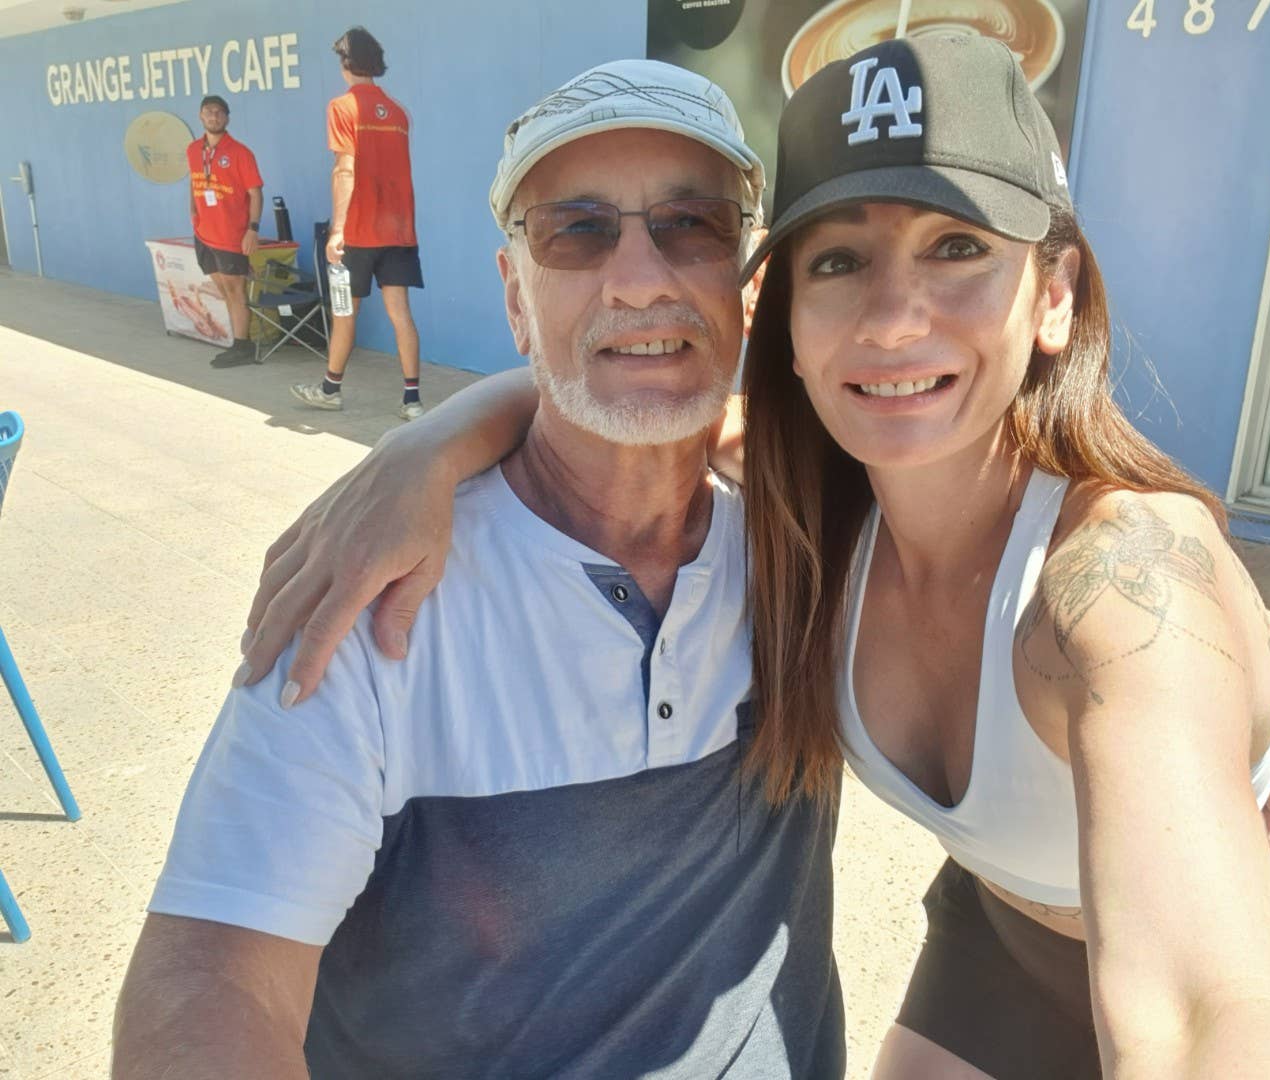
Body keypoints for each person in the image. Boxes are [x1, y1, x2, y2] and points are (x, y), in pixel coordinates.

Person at [230, 43, 1270, 1080]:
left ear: (1055, 294)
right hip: (998, 934)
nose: (891, 320)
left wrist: (1210, 624)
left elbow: (1208, 1007)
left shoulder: (1128, 575)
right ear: (780, 314)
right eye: (840, 262)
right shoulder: (810, 503)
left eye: (959, 248)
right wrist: (422, 449)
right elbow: (618, 376)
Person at [113, 60, 845, 1079]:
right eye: (577, 231)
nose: (640, 277)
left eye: (692, 224)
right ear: (514, 296)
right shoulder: (382, 584)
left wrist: (436, 436)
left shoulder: (814, 542)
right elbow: (215, 970)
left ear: (746, 282)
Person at [291, 27, 426, 421]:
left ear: (346, 63)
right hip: (399, 231)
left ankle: (330, 390)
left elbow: (346, 168)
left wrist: (337, 230)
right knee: (401, 312)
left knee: (344, 312)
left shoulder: (342, 107)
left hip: (359, 233)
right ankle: (412, 402)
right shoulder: (399, 112)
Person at [186, 94, 263, 369]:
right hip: (205, 233)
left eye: (219, 112)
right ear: (200, 116)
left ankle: (243, 345)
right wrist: (193, 211)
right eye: (209, 112)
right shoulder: (193, 150)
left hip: (231, 235)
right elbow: (194, 184)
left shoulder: (241, 153)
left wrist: (252, 229)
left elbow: (255, 193)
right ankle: (238, 341)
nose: (214, 117)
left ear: (227, 118)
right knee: (224, 289)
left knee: (236, 289)